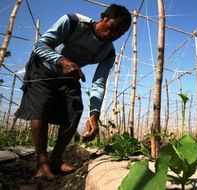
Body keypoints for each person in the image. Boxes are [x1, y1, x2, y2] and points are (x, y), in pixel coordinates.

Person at [15, 4, 131, 180]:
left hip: (70, 74)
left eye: (119, 34)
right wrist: (62, 61)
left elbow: (98, 84)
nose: (113, 36)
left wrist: (94, 113)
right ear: (103, 17)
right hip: (44, 67)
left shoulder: (108, 52)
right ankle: (42, 162)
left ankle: (55, 160)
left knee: (75, 110)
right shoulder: (73, 22)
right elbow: (40, 46)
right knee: (40, 109)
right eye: (112, 28)